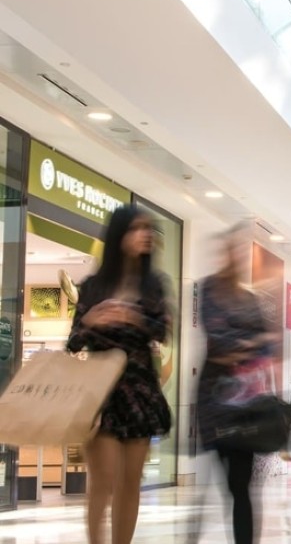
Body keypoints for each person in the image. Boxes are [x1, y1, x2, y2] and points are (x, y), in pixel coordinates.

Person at [66, 206, 171, 544]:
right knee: (103, 480)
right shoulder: (94, 286)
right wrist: (91, 321)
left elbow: (162, 331)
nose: (145, 235)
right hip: (102, 391)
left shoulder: (153, 285)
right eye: (137, 228)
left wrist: (131, 318)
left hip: (140, 390)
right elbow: (73, 342)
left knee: (130, 482)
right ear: (119, 235)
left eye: (148, 229)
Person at [196, 224, 280, 544]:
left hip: (246, 401)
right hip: (214, 401)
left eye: (242, 251)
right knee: (226, 482)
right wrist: (251, 342)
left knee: (242, 484)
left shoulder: (249, 298)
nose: (238, 257)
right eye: (232, 250)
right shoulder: (208, 289)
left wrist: (248, 344)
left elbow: (269, 344)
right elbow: (216, 338)